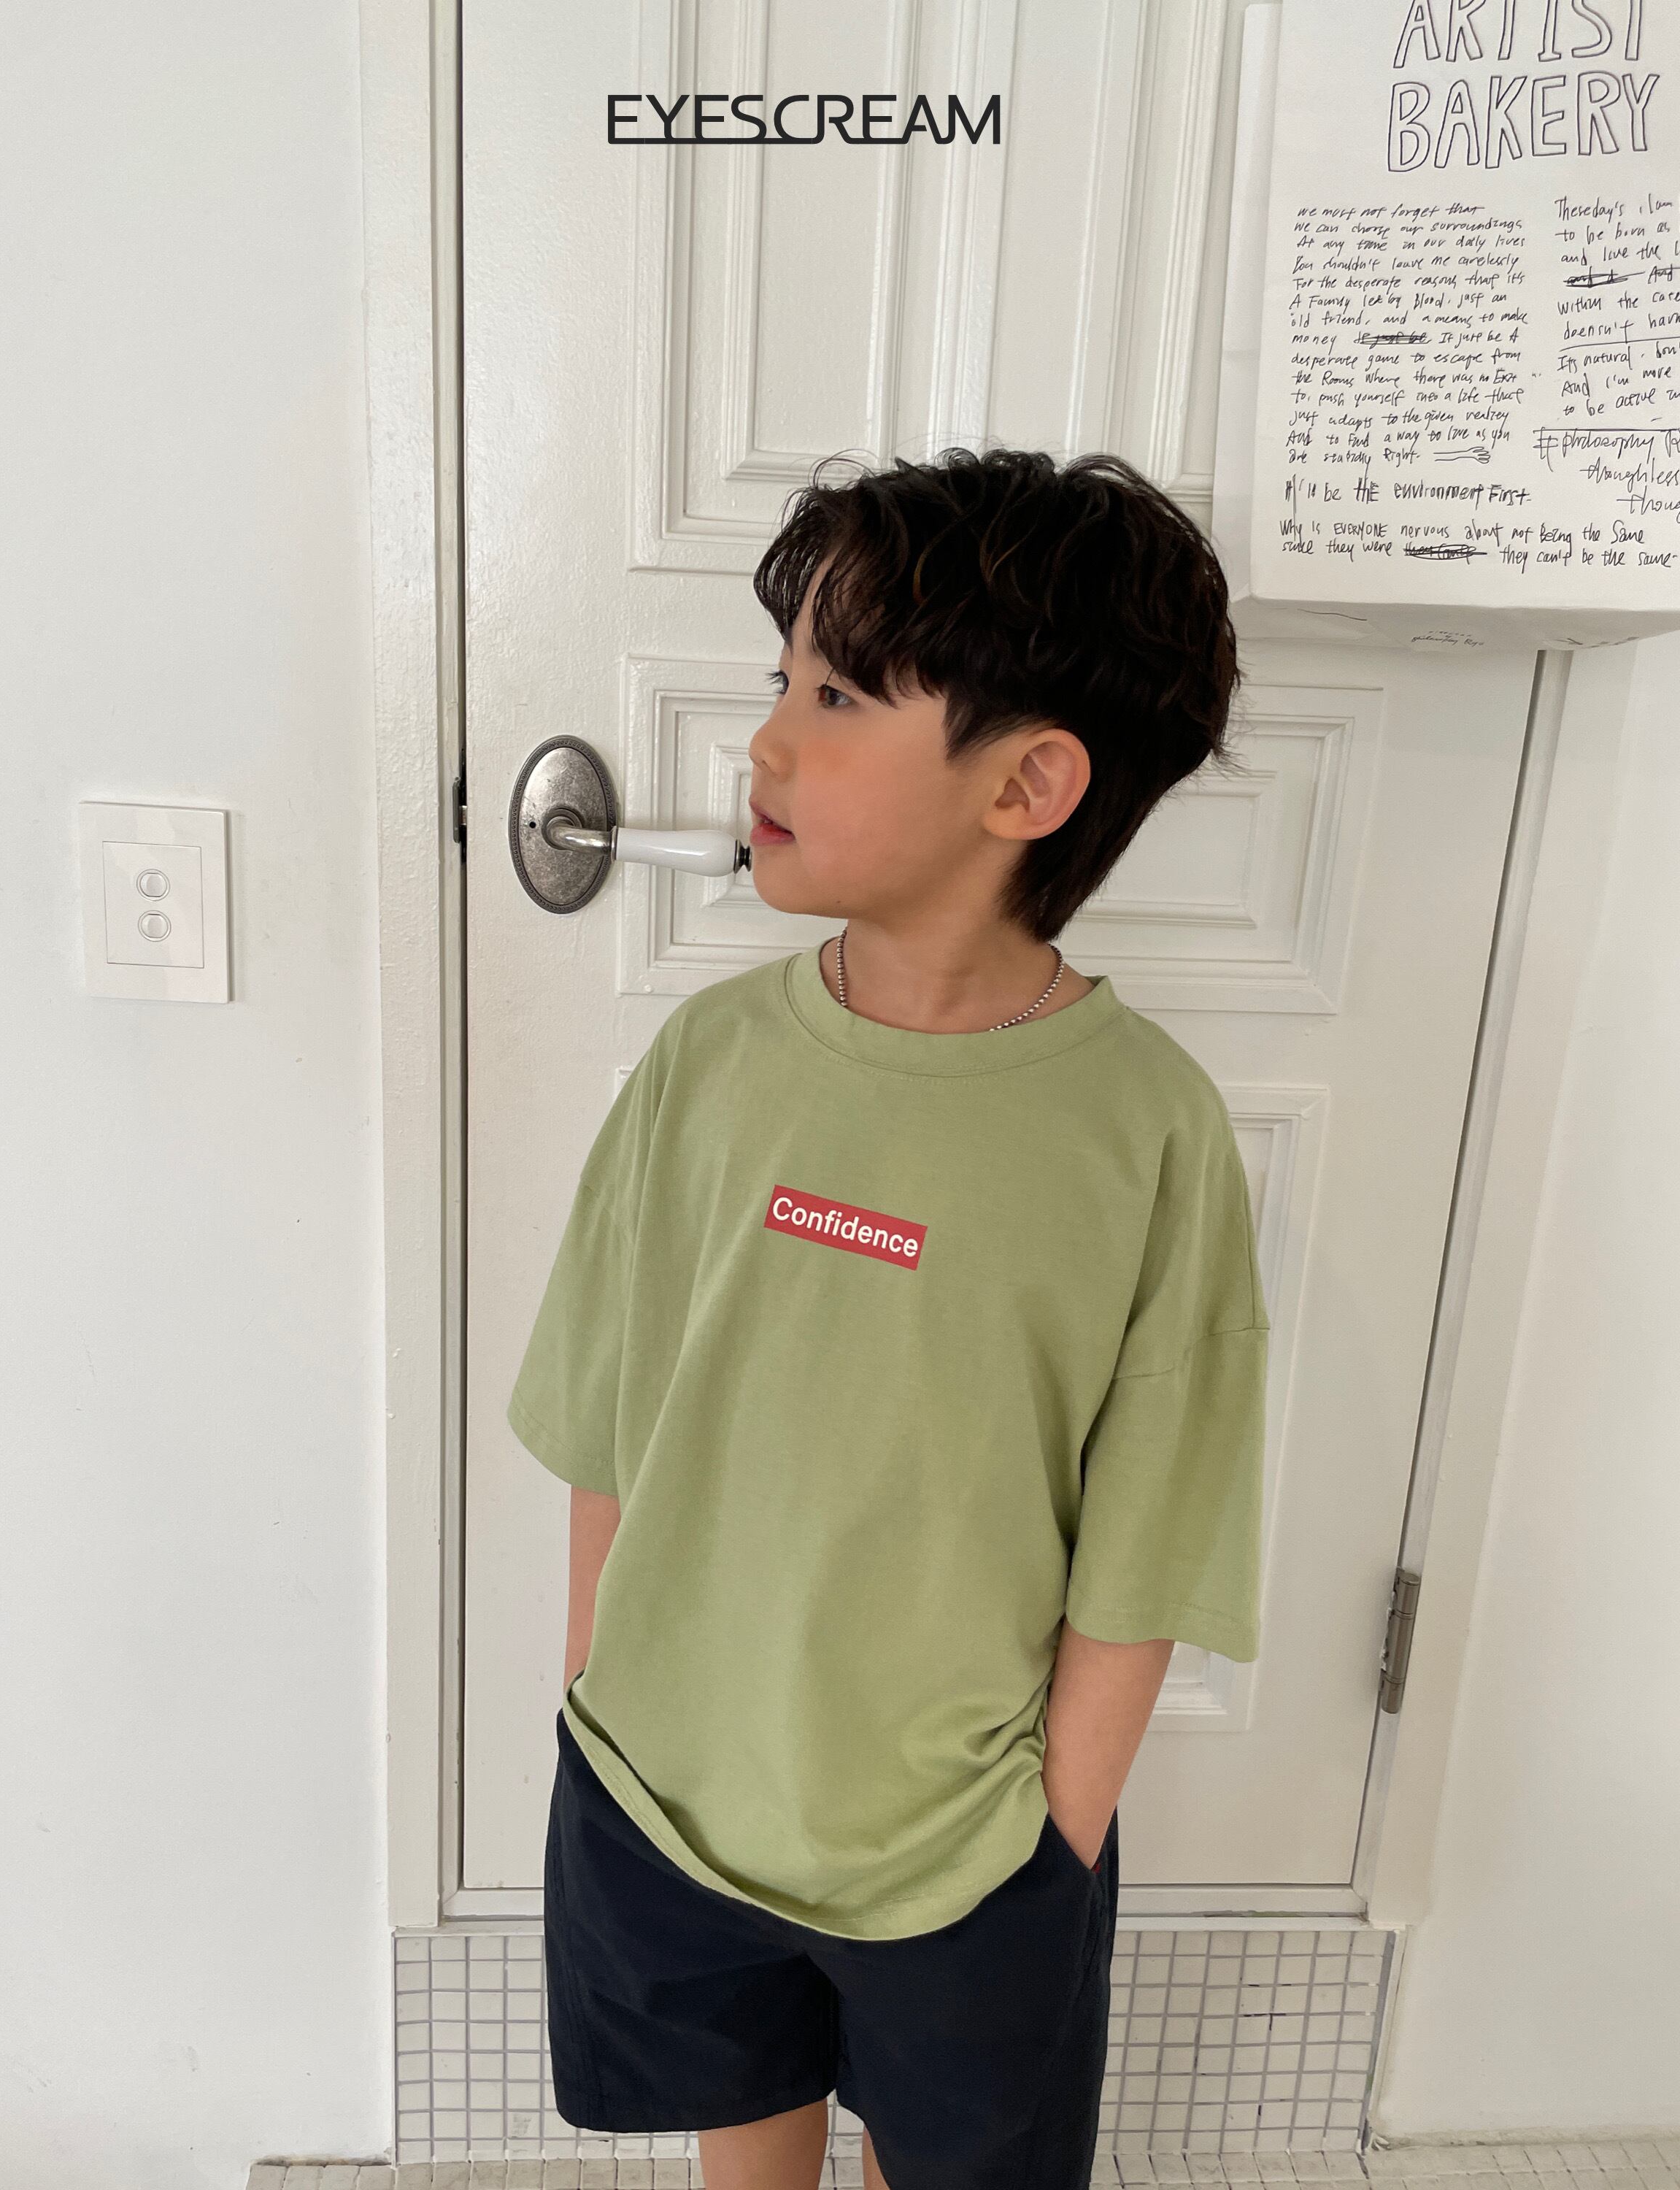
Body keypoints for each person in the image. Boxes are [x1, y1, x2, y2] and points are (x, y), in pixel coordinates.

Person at [509, 445, 1270, 2190]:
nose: (767, 742)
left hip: (969, 1841)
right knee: (739, 2113)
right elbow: (609, 1415)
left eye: (838, 696)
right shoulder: (709, 1061)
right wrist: (600, 1691)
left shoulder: (1145, 1131)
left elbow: (1154, 1534)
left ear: (1031, 782)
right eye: (784, 682)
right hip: (669, 1787)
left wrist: (1056, 1835)